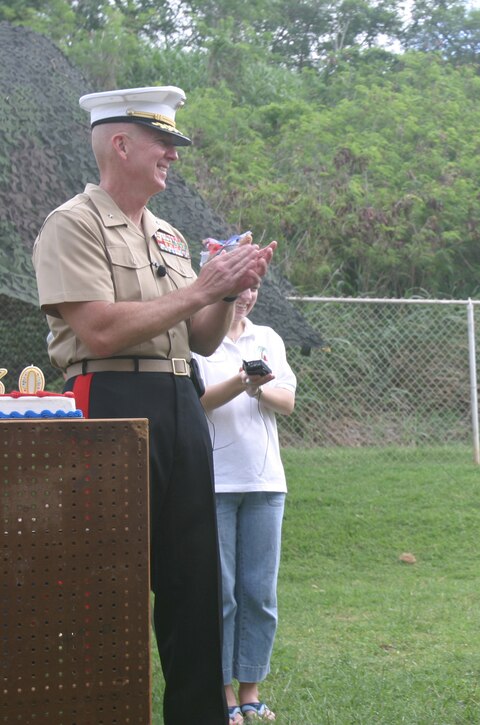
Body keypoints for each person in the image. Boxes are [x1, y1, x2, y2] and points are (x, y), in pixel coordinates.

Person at [32, 86, 277, 725]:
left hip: (179, 396)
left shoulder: (167, 235)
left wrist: (228, 290)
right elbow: (102, 331)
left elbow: (198, 338)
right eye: (162, 142)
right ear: (121, 144)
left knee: (195, 581)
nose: (172, 153)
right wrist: (202, 286)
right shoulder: (73, 224)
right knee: (106, 576)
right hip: (110, 399)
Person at [193, 278, 295, 725]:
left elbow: (287, 400)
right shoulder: (196, 341)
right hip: (214, 483)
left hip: (266, 482)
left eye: (252, 289)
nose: (245, 298)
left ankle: (251, 689)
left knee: (259, 593)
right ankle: (224, 693)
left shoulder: (268, 338)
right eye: (237, 289)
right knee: (223, 594)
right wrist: (240, 382)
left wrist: (257, 387)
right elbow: (197, 403)